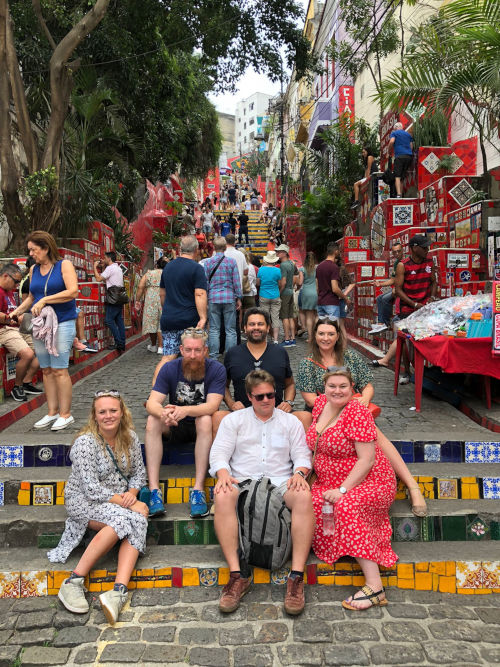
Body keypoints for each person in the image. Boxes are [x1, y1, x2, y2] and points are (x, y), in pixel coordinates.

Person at [297, 319, 427, 517]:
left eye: (330, 334)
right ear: (314, 336)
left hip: (356, 409)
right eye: (321, 334)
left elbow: (367, 386)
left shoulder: (350, 357)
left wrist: (361, 404)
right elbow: (310, 398)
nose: (326, 338)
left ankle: (412, 485)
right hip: (325, 413)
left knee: (376, 436)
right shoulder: (307, 364)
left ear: (338, 336)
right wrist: (340, 409)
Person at [210, 370, 314, 615]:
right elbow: (219, 454)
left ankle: (296, 577)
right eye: (260, 397)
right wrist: (223, 474)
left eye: (271, 395)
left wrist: (299, 473)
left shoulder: (291, 422)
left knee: (303, 496)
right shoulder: (233, 421)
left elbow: (302, 455)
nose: (266, 400)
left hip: (281, 481)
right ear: (249, 396)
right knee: (223, 495)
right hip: (243, 481)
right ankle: (238, 575)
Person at [49, 390, 148, 624]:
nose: (108, 416)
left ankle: (118, 592)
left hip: (118, 500)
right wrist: (127, 504)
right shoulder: (85, 443)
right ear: (94, 416)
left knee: (138, 518)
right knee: (124, 519)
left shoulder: (130, 437)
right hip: (84, 500)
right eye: (102, 412)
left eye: (113, 410)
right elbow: (91, 488)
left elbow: (139, 474)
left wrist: (132, 497)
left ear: (122, 412)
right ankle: (73, 581)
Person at [306, 369, 397, 610]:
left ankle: (375, 587)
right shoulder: (320, 405)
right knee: (307, 502)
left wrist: (343, 489)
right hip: (328, 481)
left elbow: (366, 460)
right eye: (332, 386)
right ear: (323, 388)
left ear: (352, 387)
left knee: (345, 506)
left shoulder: (357, 412)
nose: (337, 390)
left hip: (368, 480)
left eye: (343, 386)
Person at [145, 328, 226, 518]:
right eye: (188, 350)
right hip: (175, 424)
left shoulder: (216, 369)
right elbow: (152, 402)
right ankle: (154, 490)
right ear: (181, 349)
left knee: (205, 419)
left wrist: (185, 410)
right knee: (152, 420)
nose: (192, 355)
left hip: (199, 425)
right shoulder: (170, 368)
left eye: (197, 350)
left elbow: (212, 405)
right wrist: (164, 413)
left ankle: (198, 490)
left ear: (205, 350)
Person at [10, 231, 78, 431]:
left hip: (62, 322)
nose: (31, 254)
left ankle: (66, 414)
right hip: (40, 325)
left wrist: (46, 299)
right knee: (46, 370)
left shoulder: (63, 265)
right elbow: (32, 297)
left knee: (59, 369)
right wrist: (17, 310)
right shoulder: (33, 269)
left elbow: (73, 291)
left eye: (34, 249)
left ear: (46, 248)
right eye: (29, 250)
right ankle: (52, 412)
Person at [215, 308, 295, 434]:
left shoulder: (280, 352)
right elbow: (222, 386)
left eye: (260, 324)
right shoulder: (232, 353)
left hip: (276, 414)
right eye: (252, 324)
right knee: (217, 418)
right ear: (245, 328)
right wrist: (231, 404)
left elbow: (290, 384)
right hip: (242, 415)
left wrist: (288, 402)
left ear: (268, 328)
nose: (256, 327)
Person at [372, 235, 437, 384]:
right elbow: (398, 289)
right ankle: (407, 372)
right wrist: (414, 304)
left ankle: (424, 372)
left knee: (423, 339)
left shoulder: (429, 262)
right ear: (414, 248)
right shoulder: (403, 265)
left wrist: (432, 298)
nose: (427, 250)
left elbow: (433, 281)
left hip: (425, 308)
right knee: (408, 342)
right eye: (424, 247)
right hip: (408, 309)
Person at [156, 235, 207, 375]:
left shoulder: (168, 267)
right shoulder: (197, 268)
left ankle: (155, 391)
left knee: (167, 357)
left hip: (169, 319)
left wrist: (167, 309)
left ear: (179, 249)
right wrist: (203, 317)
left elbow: (162, 294)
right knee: (199, 355)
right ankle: (203, 388)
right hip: (190, 320)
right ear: (196, 250)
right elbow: (200, 294)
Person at [0, 262, 42, 401]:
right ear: (5, 276)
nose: (17, 285)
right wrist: (8, 318)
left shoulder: (9, 292)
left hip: (14, 328)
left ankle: (26, 382)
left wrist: (18, 318)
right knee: (28, 354)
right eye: (16, 281)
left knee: (43, 350)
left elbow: (12, 313)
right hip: (4, 330)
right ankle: (17, 387)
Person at [204, 237, 242, 358]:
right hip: (228, 297)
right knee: (230, 329)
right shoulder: (231, 262)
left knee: (214, 329)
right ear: (225, 247)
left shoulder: (208, 262)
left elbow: (205, 282)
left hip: (213, 298)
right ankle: (230, 356)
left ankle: (214, 356)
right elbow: (236, 281)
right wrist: (239, 297)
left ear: (214, 248)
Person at [93, 252, 126, 354]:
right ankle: (122, 342)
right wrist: (104, 267)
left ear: (109, 259)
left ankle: (119, 342)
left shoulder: (110, 268)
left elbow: (99, 278)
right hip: (120, 297)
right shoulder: (117, 268)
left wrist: (94, 267)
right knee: (119, 320)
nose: (104, 259)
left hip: (113, 297)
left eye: (105, 258)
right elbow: (107, 278)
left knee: (109, 320)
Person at [368, 242, 404, 334]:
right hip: (397, 288)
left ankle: (386, 324)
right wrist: (380, 284)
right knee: (379, 298)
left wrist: (397, 289)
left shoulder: (406, 261)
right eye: (394, 252)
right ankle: (381, 323)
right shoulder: (396, 263)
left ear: (402, 251)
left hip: (403, 289)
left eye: (398, 251)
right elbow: (392, 280)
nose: (396, 254)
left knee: (384, 298)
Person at [136, 257, 167, 354]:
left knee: (152, 322)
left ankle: (153, 345)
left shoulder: (149, 274)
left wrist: (137, 300)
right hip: (164, 297)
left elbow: (140, 287)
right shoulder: (167, 273)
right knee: (161, 322)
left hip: (151, 299)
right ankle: (161, 347)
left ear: (156, 265)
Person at [257, 250, 284, 344]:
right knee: (275, 318)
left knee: (265, 317)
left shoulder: (261, 269)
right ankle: (275, 339)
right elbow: (280, 283)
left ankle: (265, 339)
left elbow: (258, 283)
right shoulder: (278, 270)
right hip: (275, 295)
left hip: (264, 295)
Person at [316, 243, 344, 321]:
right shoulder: (334, 267)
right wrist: (344, 297)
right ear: (335, 251)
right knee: (333, 328)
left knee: (322, 329)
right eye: (338, 251)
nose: (339, 253)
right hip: (331, 302)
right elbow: (335, 288)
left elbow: (317, 287)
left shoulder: (319, 266)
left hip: (321, 302)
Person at [276, 244, 296, 347]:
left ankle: (287, 339)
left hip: (284, 292)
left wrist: (279, 293)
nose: (277, 253)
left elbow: (282, 282)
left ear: (284, 253)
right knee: (290, 316)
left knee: (284, 317)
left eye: (279, 252)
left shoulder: (283, 265)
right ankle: (293, 338)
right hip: (290, 291)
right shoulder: (291, 263)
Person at [389, 122, 413, 198]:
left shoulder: (394, 133)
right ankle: (401, 194)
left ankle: (399, 194)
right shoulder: (408, 134)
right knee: (402, 177)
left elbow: (392, 141)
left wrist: (389, 150)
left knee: (397, 176)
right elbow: (411, 146)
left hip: (399, 156)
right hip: (408, 156)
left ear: (395, 128)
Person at [298, 251, 318, 343]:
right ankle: (317, 335)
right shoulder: (317, 268)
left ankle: (310, 338)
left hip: (306, 292)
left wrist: (297, 285)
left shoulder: (302, 269)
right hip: (316, 292)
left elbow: (300, 282)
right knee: (316, 315)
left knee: (309, 316)